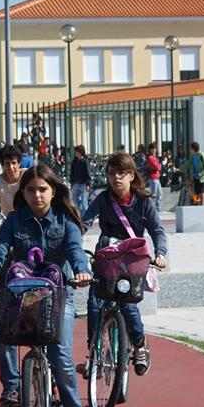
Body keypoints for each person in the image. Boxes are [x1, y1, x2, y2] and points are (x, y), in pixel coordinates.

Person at [0, 165, 92, 407]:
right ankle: (12, 385)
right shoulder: (14, 220)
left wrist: (82, 271)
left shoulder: (65, 221)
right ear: (22, 193)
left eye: (42, 189)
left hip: (58, 295)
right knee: (2, 331)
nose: (37, 195)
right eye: (30, 190)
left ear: (53, 191)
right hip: (21, 293)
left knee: (61, 357)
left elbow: (75, 250)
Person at [81, 153, 167, 376]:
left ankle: (139, 346)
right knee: (94, 305)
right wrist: (72, 239)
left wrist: (160, 254)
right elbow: (85, 222)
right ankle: (93, 353)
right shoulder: (103, 199)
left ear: (131, 175)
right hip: (106, 259)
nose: (116, 177)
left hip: (131, 262)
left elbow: (157, 231)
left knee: (128, 306)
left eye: (121, 173)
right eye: (111, 173)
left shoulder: (143, 202)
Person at [69, 144, 93, 217]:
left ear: (80, 152)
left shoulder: (85, 161)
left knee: (84, 201)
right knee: (74, 199)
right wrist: (72, 183)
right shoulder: (74, 161)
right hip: (76, 183)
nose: (75, 153)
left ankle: (86, 217)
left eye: (76, 151)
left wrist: (88, 184)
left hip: (84, 184)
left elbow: (88, 173)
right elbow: (72, 172)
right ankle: (82, 213)